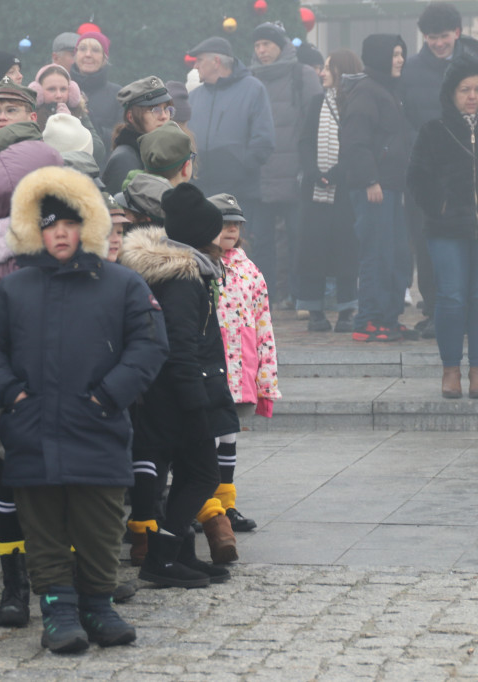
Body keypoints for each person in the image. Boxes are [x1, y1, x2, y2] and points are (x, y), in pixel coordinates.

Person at [0, 165, 168, 654]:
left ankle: (99, 606)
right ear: (34, 231)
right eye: (50, 225)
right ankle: (58, 611)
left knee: (100, 526)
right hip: (32, 429)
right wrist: (9, 393)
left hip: (97, 427)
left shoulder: (122, 284)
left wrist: (109, 396)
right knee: (44, 529)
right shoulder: (15, 287)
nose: (60, 234)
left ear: (90, 227)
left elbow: (149, 346)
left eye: (70, 224)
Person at [0, 140, 64, 628]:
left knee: (56, 493)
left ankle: (59, 582)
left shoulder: (61, 246)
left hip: (58, 395)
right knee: (6, 492)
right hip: (9, 399)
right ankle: (15, 585)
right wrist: (3, 392)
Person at [119, 182, 237, 585]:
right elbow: (180, 346)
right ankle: (162, 558)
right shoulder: (185, 281)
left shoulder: (187, 272)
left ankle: (180, 554)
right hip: (180, 396)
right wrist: (196, 402)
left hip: (175, 393)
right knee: (203, 475)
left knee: (189, 473)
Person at [408, 38, 478, 398]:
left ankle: (476, 371)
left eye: (477, 88)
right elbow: (417, 178)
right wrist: (441, 205)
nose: (472, 95)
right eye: (465, 88)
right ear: (451, 92)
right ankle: (451, 369)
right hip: (446, 229)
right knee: (451, 297)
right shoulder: (434, 130)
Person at [207, 193, 280, 532]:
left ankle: (227, 504)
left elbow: (263, 322)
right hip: (209, 368)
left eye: (235, 224)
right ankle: (205, 505)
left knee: (228, 437)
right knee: (206, 437)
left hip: (240, 371)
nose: (230, 230)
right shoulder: (201, 266)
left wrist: (266, 375)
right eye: (223, 223)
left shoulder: (250, 271)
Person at [341, 34, 413, 342]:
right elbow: (356, 142)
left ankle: (388, 317)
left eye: (402, 54)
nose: (400, 60)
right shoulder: (367, 91)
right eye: (395, 54)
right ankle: (368, 319)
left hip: (392, 186)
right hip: (375, 188)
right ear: (381, 56)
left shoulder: (386, 89)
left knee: (396, 253)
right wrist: (371, 180)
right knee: (377, 252)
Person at [250, 22, 323, 305]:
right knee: (262, 241)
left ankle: (300, 294)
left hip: (295, 174)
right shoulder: (250, 80)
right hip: (261, 174)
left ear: (280, 46)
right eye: (257, 45)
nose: (262, 50)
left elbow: (315, 125)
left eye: (267, 44)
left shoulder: (302, 75)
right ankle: (265, 295)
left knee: (298, 238)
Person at [402, 2, 463, 338]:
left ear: (457, 32)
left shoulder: (471, 65)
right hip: (425, 173)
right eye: (431, 37)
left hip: (465, 172)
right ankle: (434, 309)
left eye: (443, 36)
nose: (438, 43)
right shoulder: (410, 70)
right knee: (426, 243)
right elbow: (404, 120)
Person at [187, 36, 275, 256]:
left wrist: (240, 168)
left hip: (239, 194)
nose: (195, 65)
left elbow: (264, 141)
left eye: (199, 60)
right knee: (205, 253)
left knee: (237, 254)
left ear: (216, 61)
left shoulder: (253, 89)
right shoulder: (195, 96)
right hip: (202, 194)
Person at [296, 49, 363, 333]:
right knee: (313, 250)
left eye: (327, 68)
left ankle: (347, 310)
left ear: (342, 71)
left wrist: (338, 173)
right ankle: (315, 311)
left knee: (346, 251)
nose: (322, 73)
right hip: (315, 192)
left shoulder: (357, 103)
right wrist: (314, 172)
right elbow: (304, 141)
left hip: (346, 192)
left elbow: (359, 144)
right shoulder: (316, 102)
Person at [103, 76, 175, 193]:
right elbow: (117, 207)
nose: (164, 116)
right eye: (155, 110)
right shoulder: (124, 159)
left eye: (166, 109)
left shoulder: (161, 152)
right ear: (131, 117)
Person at [29, 64, 106, 164]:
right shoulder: (29, 116)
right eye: (51, 89)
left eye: (63, 89)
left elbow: (99, 150)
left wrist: (72, 124)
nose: (59, 95)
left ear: (71, 91)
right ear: (38, 91)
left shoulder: (79, 113)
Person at [69, 31, 122, 153]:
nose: (88, 54)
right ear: (75, 56)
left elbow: (122, 139)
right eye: (82, 49)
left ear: (105, 58)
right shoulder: (61, 89)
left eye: (95, 50)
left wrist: (95, 128)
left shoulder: (118, 94)